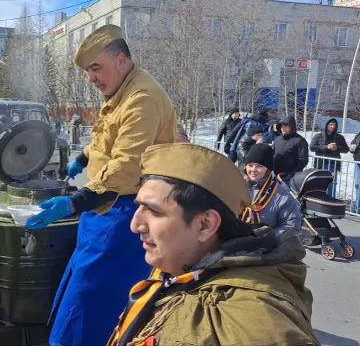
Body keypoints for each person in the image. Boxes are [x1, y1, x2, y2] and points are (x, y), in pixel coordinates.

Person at [25, 25, 176, 346]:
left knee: (92, 297)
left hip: (124, 213)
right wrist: (82, 158)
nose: (90, 78)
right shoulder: (119, 92)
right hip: (103, 207)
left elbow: (126, 165)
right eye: (86, 71)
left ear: (121, 61)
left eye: (95, 68)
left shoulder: (142, 98)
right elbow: (106, 141)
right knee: (84, 284)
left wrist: (73, 202)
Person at [107, 143, 318, 346]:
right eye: (139, 207)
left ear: (206, 225)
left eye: (154, 211)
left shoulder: (249, 318)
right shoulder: (179, 264)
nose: (135, 225)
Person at [241, 144, 302, 235]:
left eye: (259, 166)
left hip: (266, 246)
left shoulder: (281, 194)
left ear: (268, 169)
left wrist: (266, 235)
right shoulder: (237, 187)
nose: (253, 170)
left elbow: (291, 226)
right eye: (250, 165)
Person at [310, 118, 349, 197]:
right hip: (320, 163)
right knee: (319, 183)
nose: (332, 126)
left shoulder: (339, 137)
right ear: (327, 125)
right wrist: (326, 147)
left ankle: (330, 200)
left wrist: (337, 148)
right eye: (331, 124)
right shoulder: (319, 135)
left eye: (334, 125)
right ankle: (318, 199)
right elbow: (312, 147)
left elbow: (346, 149)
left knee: (331, 184)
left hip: (332, 164)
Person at [272, 116, 309, 185]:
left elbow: (303, 160)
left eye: (286, 125)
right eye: (281, 126)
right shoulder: (277, 139)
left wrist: (292, 173)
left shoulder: (300, 141)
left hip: (289, 177)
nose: (283, 127)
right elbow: (273, 154)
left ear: (291, 126)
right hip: (275, 175)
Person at [350, 131, 360, 213]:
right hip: (358, 162)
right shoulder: (358, 134)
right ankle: (358, 209)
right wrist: (352, 148)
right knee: (357, 186)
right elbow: (353, 143)